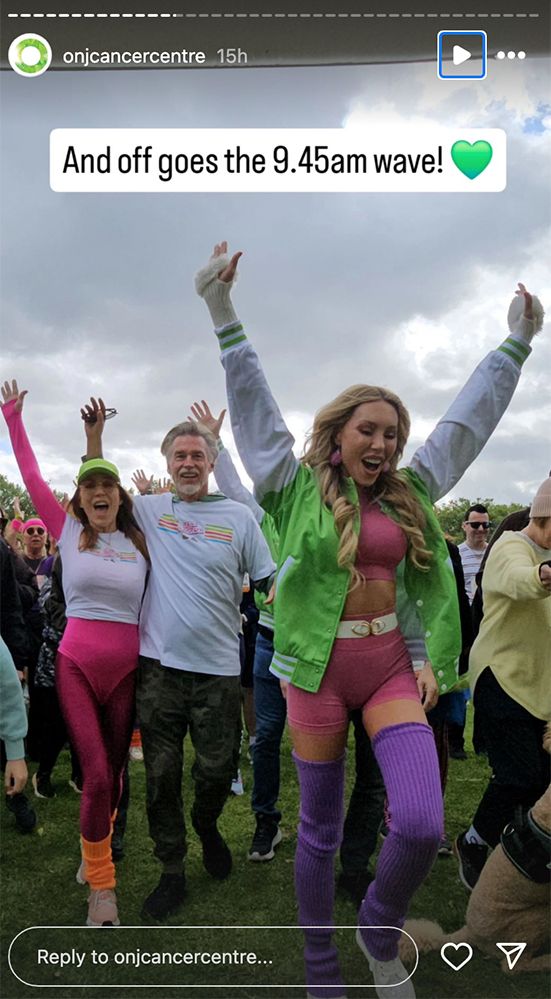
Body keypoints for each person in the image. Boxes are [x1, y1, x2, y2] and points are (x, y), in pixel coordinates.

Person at [196, 242, 544, 999]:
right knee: (318, 831)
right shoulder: (291, 488)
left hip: (388, 665)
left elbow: (461, 428)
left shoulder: (410, 493)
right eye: (368, 429)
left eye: (390, 431)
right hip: (313, 676)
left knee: (418, 821)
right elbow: (253, 408)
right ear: (337, 433)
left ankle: (376, 927)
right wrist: (222, 312)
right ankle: (321, 969)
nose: (381, 442)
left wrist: (514, 344)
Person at [86, 405, 275, 922]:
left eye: (197, 454)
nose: (187, 463)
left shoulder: (239, 517)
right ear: (167, 462)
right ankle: (172, 869)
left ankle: (207, 823)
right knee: (161, 776)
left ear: (211, 461)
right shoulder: (148, 509)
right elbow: (97, 489)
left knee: (215, 771)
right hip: (159, 671)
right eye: (179, 455)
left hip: (218, 672)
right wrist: (95, 437)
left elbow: (267, 582)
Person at [1, 381, 149, 928]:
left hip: (129, 669)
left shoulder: (139, 536)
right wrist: (13, 419)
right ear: (80, 499)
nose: (100, 492)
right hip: (77, 666)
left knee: (114, 773)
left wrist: (99, 441)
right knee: (96, 774)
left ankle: (95, 853)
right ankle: (102, 889)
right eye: (91, 486)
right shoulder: (66, 532)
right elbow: (34, 476)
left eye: (109, 485)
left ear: (119, 495)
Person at [454, 477, 551, 892]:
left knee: (542, 784)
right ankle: (473, 842)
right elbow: (518, 579)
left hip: (541, 687)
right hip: (500, 677)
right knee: (518, 775)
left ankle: (518, 863)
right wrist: (544, 573)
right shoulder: (511, 545)